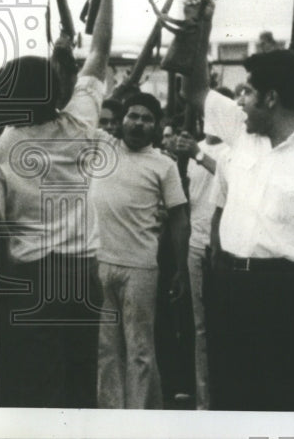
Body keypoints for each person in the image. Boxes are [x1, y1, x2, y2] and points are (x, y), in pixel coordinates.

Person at [182, 0, 294, 412]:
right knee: (233, 400)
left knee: (286, 400)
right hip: (229, 288)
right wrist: (197, 23)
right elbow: (195, 88)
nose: (240, 101)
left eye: (248, 93)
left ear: (271, 98)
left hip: (287, 295)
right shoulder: (241, 129)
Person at [0, 0, 117, 408]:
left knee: (35, 384)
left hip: (33, 276)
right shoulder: (81, 123)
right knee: (81, 379)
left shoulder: (4, 146)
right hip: (84, 274)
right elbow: (100, 54)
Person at [91, 91, 190, 409]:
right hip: (100, 263)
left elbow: (179, 220)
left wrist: (181, 269)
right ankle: (111, 417)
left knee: (140, 350)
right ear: (121, 120)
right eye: (133, 115)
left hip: (140, 269)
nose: (138, 122)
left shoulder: (164, 165)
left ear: (157, 125)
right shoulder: (102, 148)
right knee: (106, 349)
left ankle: (140, 419)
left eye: (147, 118)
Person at [172, 114, 229, 410]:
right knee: (199, 328)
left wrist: (196, 153)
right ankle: (204, 403)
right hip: (195, 245)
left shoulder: (234, 148)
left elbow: (231, 179)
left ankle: (226, 397)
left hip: (225, 247)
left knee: (225, 325)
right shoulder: (191, 146)